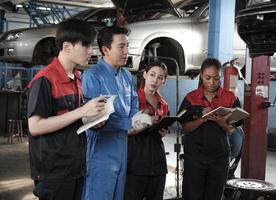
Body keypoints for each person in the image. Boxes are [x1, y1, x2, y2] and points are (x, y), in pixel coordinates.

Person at [27, 19, 105, 200]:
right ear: (67, 46)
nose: (91, 51)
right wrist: (82, 111)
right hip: (53, 173)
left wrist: (95, 120)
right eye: (86, 45)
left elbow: (72, 119)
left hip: (75, 168)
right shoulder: (44, 79)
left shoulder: (77, 78)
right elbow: (35, 126)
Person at [81, 26, 139, 200]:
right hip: (101, 149)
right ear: (105, 49)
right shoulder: (92, 76)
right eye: (121, 47)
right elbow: (97, 119)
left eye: (127, 46)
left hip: (122, 146)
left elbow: (134, 104)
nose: (126, 51)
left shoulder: (127, 76)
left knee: (117, 196)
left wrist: (138, 118)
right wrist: (130, 123)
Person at [178, 58, 243, 200]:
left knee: (214, 196)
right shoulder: (191, 98)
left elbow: (232, 129)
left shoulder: (230, 98)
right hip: (194, 156)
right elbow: (185, 127)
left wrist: (222, 123)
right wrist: (202, 119)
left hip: (219, 157)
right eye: (208, 78)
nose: (212, 83)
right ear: (201, 75)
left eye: (216, 78)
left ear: (220, 76)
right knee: (192, 195)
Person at [124, 62, 170, 200]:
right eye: (152, 75)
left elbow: (162, 129)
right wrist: (144, 122)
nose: (155, 80)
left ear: (164, 81)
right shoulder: (132, 100)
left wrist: (163, 131)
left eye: (160, 77)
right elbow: (125, 129)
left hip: (158, 163)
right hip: (135, 163)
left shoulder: (164, 104)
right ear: (144, 75)